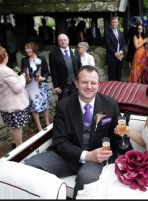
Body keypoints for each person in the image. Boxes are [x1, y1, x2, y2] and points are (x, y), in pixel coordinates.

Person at [25, 65, 131, 198]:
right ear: (76, 83)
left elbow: (117, 136)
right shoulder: (63, 105)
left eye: (93, 83)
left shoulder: (110, 104)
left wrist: (124, 145)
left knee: (86, 178)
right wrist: (86, 155)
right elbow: (59, 140)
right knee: (30, 165)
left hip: (96, 159)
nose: (89, 86)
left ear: (99, 85)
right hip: (66, 157)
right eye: (84, 82)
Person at [0, 46, 30, 148]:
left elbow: (2, 83)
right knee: (17, 127)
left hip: (4, 103)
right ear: (2, 57)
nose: (7, 55)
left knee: (11, 125)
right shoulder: (6, 71)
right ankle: (20, 146)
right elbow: (18, 89)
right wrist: (22, 77)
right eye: (5, 54)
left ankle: (14, 142)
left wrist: (14, 77)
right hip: (14, 104)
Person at [21, 41, 51, 132]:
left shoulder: (41, 58)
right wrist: (26, 79)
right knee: (34, 105)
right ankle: (39, 126)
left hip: (41, 84)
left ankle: (47, 122)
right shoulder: (24, 60)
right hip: (30, 86)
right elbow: (22, 73)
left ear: (34, 48)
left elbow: (46, 71)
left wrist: (43, 78)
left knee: (45, 103)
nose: (27, 50)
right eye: (26, 48)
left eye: (29, 48)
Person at [49, 33, 81, 100]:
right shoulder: (53, 54)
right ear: (58, 42)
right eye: (60, 40)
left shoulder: (75, 51)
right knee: (64, 104)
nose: (63, 42)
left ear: (68, 40)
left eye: (64, 40)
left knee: (75, 102)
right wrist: (56, 86)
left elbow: (79, 67)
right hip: (62, 84)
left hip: (74, 83)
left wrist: (79, 80)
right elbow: (53, 71)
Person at [104, 16, 126, 81]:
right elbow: (108, 45)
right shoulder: (107, 33)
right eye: (112, 22)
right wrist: (115, 53)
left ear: (118, 23)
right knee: (111, 77)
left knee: (118, 76)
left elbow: (123, 44)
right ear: (111, 23)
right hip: (111, 57)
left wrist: (121, 52)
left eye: (115, 22)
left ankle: (118, 90)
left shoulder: (120, 33)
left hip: (120, 58)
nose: (114, 24)